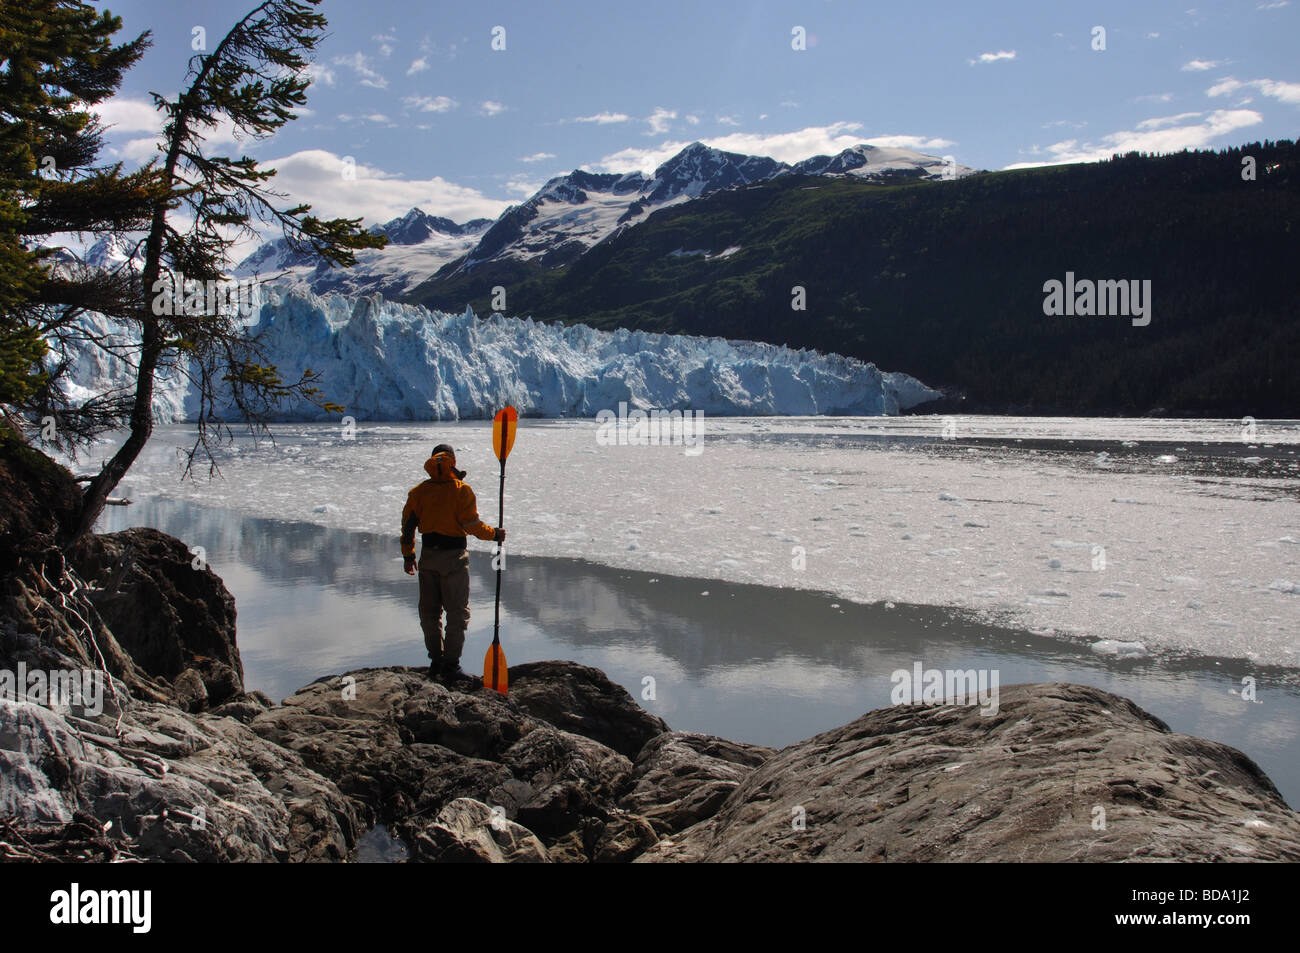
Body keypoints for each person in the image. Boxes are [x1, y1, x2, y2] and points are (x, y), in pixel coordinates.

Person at [401, 444, 504, 684]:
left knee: (429, 612)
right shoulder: (461, 490)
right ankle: (451, 665)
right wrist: (495, 534)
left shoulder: (418, 492)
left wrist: (408, 556)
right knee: (457, 613)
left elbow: (408, 527)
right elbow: (472, 526)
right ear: (453, 462)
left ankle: (436, 661)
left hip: (427, 558)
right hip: (454, 559)